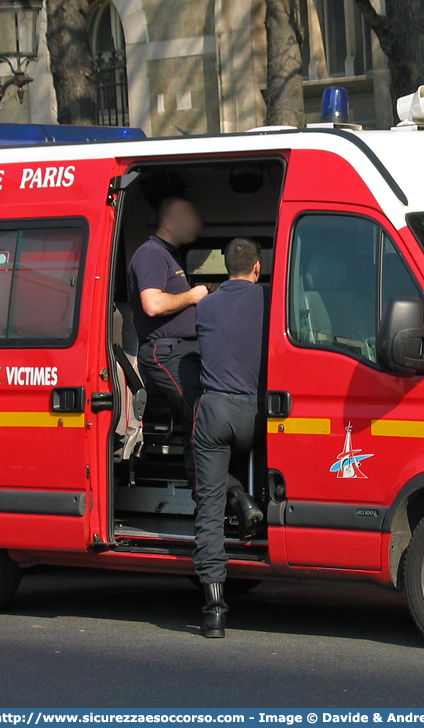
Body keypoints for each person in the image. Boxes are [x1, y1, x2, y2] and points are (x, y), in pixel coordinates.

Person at [192, 237, 266, 639]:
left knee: (209, 503)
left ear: (226, 267)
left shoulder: (206, 304)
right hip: (258, 414)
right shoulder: (270, 301)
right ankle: (245, 498)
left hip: (216, 410)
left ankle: (215, 611)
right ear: (257, 268)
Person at [127, 195, 209, 488]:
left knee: (198, 422)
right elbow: (152, 304)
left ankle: (207, 497)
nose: (195, 224)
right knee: (206, 419)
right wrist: (194, 295)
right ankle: (232, 497)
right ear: (167, 223)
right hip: (165, 352)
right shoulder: (151, 254)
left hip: (184, 350)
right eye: (187, 217)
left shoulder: (171, 255)